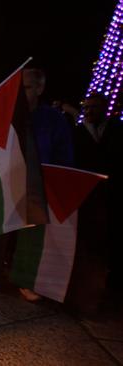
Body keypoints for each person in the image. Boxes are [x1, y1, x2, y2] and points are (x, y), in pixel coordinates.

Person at [0, 68, 74, 299]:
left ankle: (25, 280)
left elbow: (63, 154)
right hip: (8, 178)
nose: (22, 94)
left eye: (28, 88)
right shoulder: (7, 115)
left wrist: (55, 179)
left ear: (40, 88)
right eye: (19, 89)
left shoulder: (53, 119)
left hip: (37, 183)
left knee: (32, 232)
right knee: (0, 228)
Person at [68, 93, 123, 313]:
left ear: (104, 108)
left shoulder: (117, 131)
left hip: (113, 195)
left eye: (94, 107)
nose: (89, 111)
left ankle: (113, 287)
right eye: (86, 107)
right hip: (86, 197)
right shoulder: (78, 133)